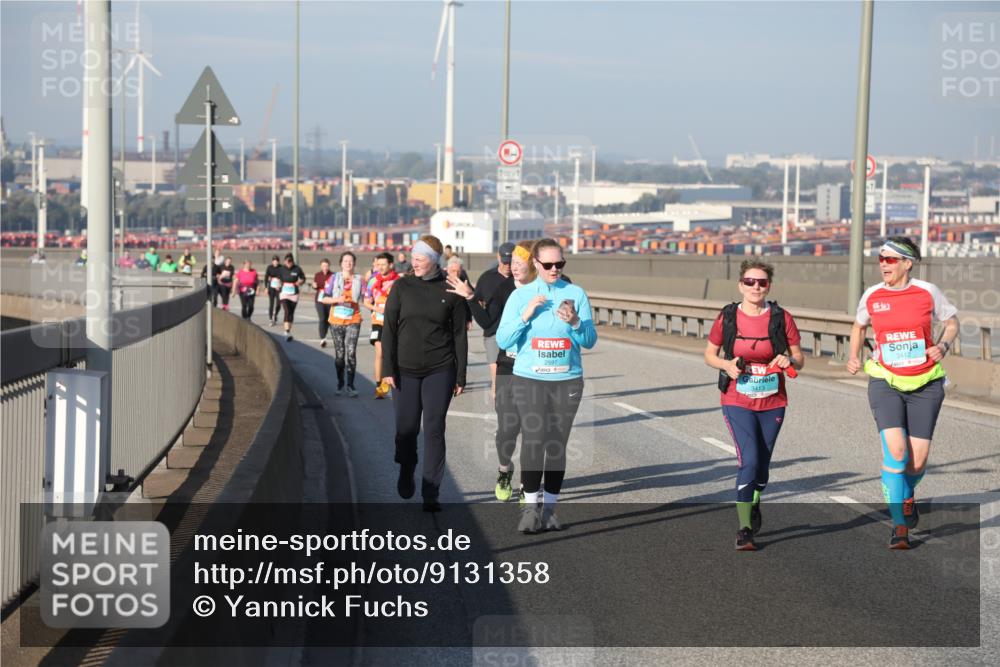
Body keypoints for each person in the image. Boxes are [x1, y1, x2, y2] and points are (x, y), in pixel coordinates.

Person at [847, 237, 959, 549]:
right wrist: (854, 355)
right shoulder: (872, 295)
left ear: (907, 263)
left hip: (925, 382)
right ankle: (899, 526)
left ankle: (907, 493)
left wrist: (943, 345)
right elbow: (858, 327)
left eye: (891, 260)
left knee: (917, 461)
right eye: (881, 259)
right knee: (896, 452)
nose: (884, 264)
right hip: (886, 380)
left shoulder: (927, 292)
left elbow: (951, 323)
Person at [496, 238, 597, 533]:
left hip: (567, 380)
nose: (555, 269)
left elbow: (590, 340)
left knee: (556, 444)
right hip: (530, 378)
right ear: (536, 265)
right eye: (549, 264)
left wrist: (577, 322)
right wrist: (526, 315)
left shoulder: (575, 293)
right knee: (534, 438)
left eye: (560, 264)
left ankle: (550, 509)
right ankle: (529, 509)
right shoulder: (521, 296)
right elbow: (503, 340)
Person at [704, 258, 805, 551]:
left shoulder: (780, 317)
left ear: (768, 286)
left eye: (761, 282)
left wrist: (789, 359)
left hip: (773, 400)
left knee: (762, 467)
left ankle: (756, 495)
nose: (755, 287)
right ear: (740, 285)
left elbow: (799, 357)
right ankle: (744, 529)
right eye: (750, 281)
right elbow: (709, 355)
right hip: (737, 398)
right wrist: (727, 365)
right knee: (748, 460)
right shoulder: (727, 317)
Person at [381, 235, 468, 512]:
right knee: (405, 431)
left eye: (420, 258)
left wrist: (460, 374)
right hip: (404, 371)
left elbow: (459, 336)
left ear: (434, 260)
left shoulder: (450, 290)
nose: (414, 262)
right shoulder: (401, 286)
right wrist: (387, 369)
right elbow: (389, 330)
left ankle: (431, 490)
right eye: (413, 257)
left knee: (433, 429)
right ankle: (406, 468)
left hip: (439, 369)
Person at [448, 240, 534, 502]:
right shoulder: (504, 288)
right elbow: (487, 322)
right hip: (509, 364)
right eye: (509, 263)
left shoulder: (547, 288)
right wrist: (472, 298)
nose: (511, 268)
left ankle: (527, 488)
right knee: (508, 430)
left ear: (533, 265)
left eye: (518, 263)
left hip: (537, 369)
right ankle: (504, 469)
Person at [472, 242, 514, 398]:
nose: (508, 266)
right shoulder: (486, 278)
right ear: (498, 257)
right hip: (493, 332)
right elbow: (476, 301)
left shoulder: (522, 279)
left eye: (511, 262)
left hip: (516, 332)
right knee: (496, 371)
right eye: (504, 262)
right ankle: (500, 403)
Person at [322, 251, 363, 396]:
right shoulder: (334, 278)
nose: (348, 263)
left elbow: (368, 298)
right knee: (340, 356)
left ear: (354, 263)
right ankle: (340, 382)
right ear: (341, 263)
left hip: (353, 320)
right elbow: (324, 298)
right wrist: (337, 300)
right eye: (345, 261)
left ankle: (350, 385)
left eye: (351, 261)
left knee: (351, 353)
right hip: (337, 321)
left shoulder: (359, 280)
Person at [363, 252, 400, 399]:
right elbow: (366, 301)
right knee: (380, 352)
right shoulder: (373, 281)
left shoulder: (398, 281)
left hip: (394, 321)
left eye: (383, 264)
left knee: (393, 352)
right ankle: (379, 386)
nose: (380, 267)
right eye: (378, 264)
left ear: (391, 265)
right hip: (377, 321)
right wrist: (375, 308)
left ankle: (393, 379)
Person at [278, 253, 305, 341]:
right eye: (287, 261)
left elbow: (303, 278)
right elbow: (277, 278)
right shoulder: (281, 269)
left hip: (294, 293)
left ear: (293, 261)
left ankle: (288, 330)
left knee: (291, 313)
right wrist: (278, 284)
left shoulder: (297, 269)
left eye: (290, 262)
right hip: (284, 293)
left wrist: (300, 282)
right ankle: (286, 332)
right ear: (285, 261)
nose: (289, 263)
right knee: (287, 311)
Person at [446, 256, 473, 330]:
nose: (456, 274)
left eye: (458, 271)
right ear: (447, 270)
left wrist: (469, 318)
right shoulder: (441, 282)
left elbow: (468, 300)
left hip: (460, 321)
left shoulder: (463, 281)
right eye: (453, 271)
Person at [313, 259, 334, 347]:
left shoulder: (333, 275)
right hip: (320, 299)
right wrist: (314, 286)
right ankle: (322, 338)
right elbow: (315, 285)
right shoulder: (317, 275)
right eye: (323, 266)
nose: (325, 268)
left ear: (329, 266)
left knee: (328, 319)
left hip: (330, 298)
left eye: (326, 266)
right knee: (322, 318)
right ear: (321, 266)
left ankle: (324, 334)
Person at [264, 255, 282, 326]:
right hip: (271, 287)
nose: (275, 262)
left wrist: (280, 283)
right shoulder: (269, 267)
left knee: (279, 304)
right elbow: (266, 277)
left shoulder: (281, 267)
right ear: (272, 261)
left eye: (276, 261)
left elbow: (284, 277)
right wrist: (266, 287)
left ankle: (275, 314)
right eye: (274, 261)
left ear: (278, 261)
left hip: (279, 287)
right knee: (271, 303)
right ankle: (271, 319)